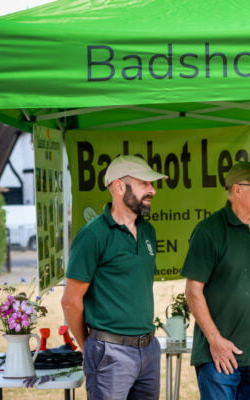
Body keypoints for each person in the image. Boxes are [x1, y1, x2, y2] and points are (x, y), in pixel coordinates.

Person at [61, 155, 168, 400]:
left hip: (149, 349)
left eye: (152, 184)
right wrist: (89, 346)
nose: (152, 190)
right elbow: (70, 301)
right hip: (109, 351)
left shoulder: (148, 231)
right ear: (119, 187)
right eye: (144, 183)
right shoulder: (93, 235)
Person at [181, 161, 250, 400]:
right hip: (219, 358)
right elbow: (192, 291)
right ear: (237, 189)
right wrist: (215, 340)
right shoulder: (209, 230)